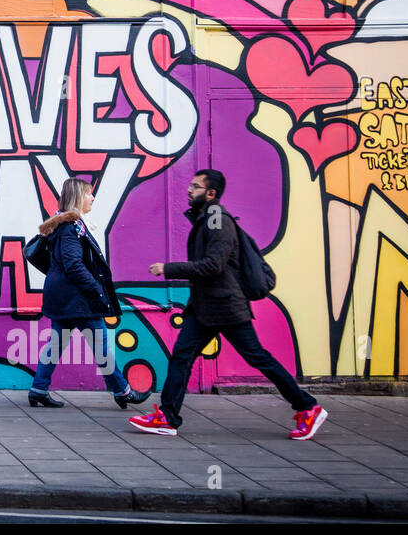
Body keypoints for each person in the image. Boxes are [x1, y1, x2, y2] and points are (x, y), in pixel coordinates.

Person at [131, 169, 327, 440]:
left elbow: (214, 265)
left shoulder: (216, 220)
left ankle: (307, 407)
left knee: (258, 358)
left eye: (196, 187)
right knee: (182, 357)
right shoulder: (206, 219)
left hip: (225, 307)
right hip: (206, 308)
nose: (189, 190)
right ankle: (167, 417)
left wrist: (169, 268)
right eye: (191, 185)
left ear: (211, 194)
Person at [28, 177, 151, 410]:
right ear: (77, 197)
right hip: (78, 299)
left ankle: (38, 389)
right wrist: (95, 289)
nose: (92, 197)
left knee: (56, 343)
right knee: (101, 345)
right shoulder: (69, 229)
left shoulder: (66, 225)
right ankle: (122, 391)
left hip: (63, 297)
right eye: (88, 193)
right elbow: (73, 265)